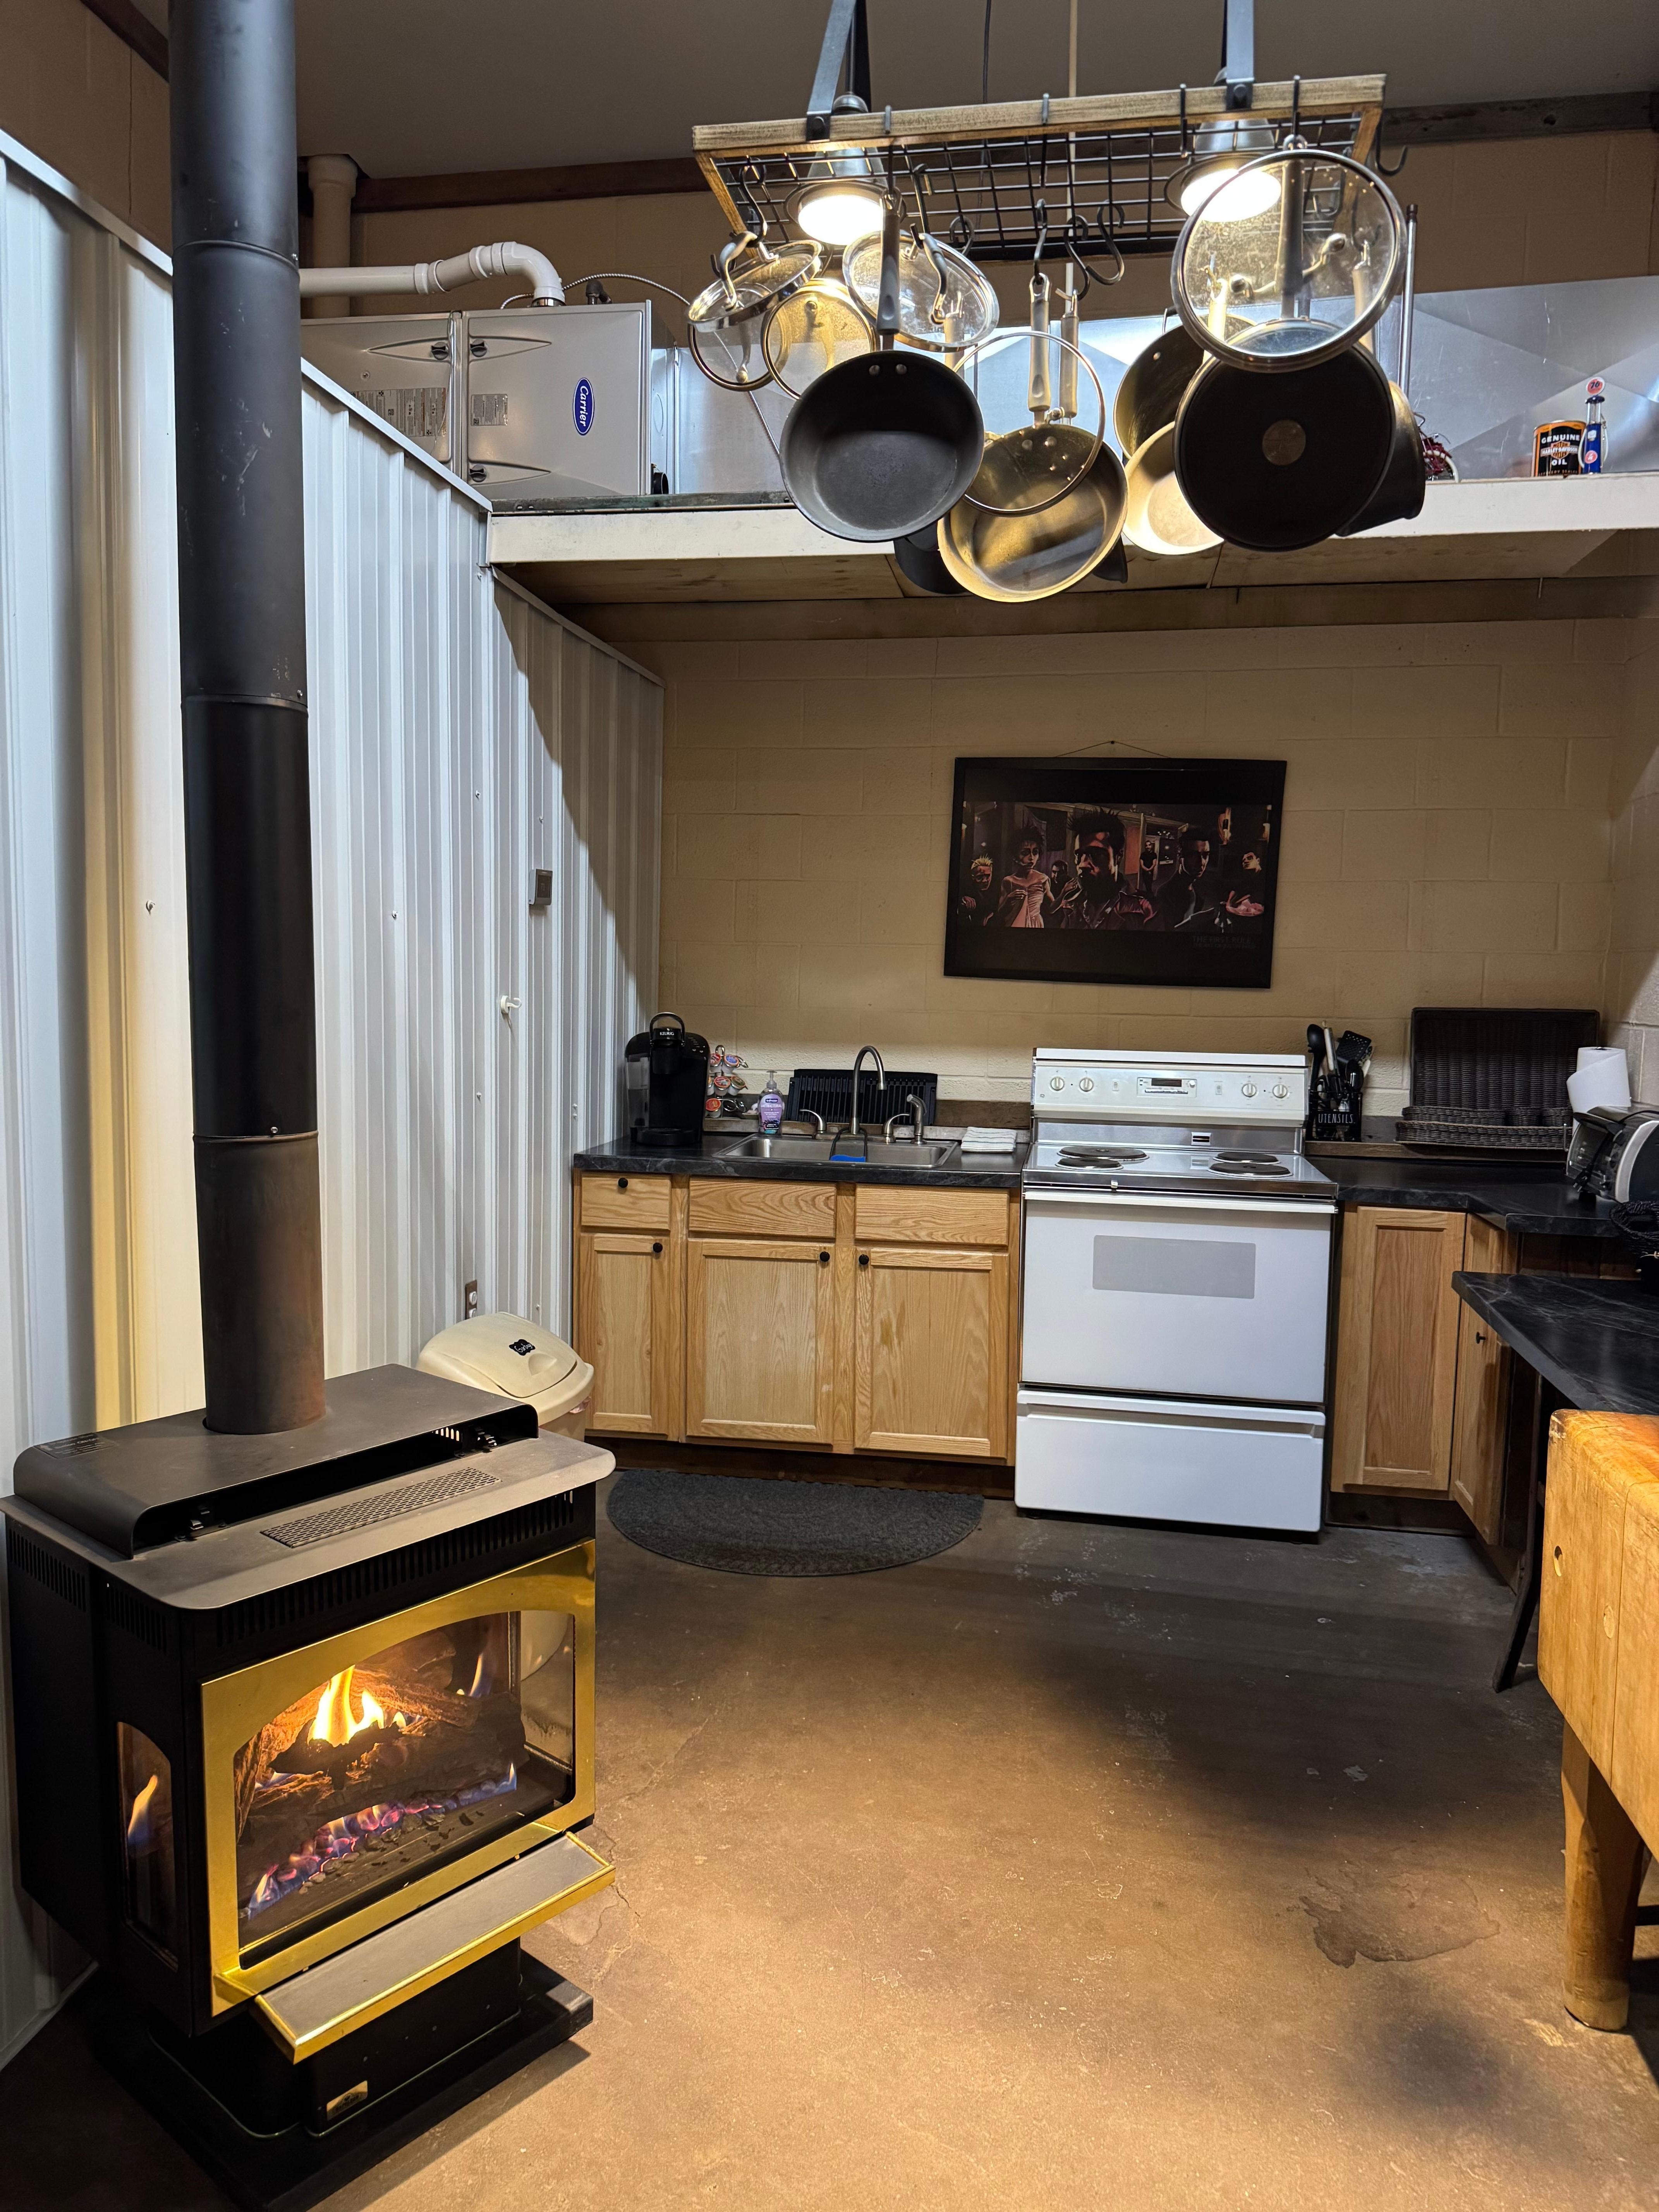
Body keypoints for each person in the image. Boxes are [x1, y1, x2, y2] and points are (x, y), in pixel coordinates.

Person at [1053, 811, 1152, 930]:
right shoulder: (1069, 905)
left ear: (1118, 857)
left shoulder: (1145, 909)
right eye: (1079, 855)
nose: (1082, 865)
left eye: (1096, 855)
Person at [1152, 830, 1217, 931]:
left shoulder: (1200, 889)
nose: (1201, 863)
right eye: (1193, 856)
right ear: (1180, 856)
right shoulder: (1165, 893)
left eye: (1205, 855)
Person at [994, 833, 1053, 927]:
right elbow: (1000, 913)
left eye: (1035, 852)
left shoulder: (1043, 880)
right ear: (1015, 857)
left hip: (1036, 926)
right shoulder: (1009, 881)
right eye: (1025, 853)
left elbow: (1051, 909)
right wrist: (1009, 900)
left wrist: (1064, 892)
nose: (1032, 858)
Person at [956, 852, 996, 926]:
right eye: (980, 877)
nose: (985, 881)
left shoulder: (994, 894)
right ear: (973, 877)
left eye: (988, 877)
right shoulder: (967, 893)